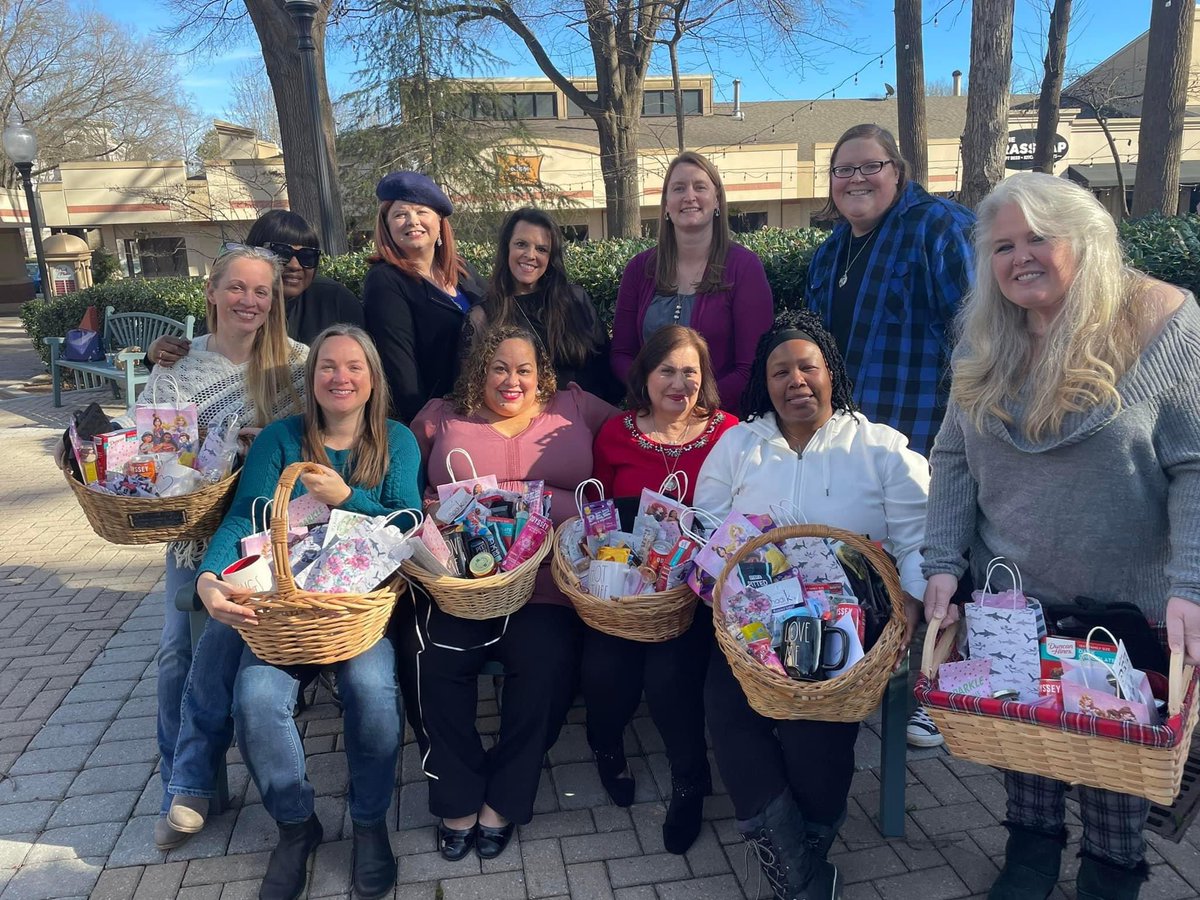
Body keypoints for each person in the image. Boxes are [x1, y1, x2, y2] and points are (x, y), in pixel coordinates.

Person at [920, 173, 1200, 900]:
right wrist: (944, 564)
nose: (1020, 257)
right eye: (1003, 245)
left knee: (1114, 759)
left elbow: (1196, 465)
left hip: (1124, 602)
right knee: (1026, 743)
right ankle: (1031, 853)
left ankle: (1112, 870)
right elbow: (952, 457)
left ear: (1084, 239)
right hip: (1012, 596)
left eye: (1038, 237)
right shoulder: (983, 339)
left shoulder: (1164, 327)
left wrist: (1190, 586)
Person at [694, 310, 928, 900]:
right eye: (780, 371)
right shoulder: (738, 444)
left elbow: (920, 535)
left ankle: (796, 856)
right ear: (764, 384)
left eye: (807, 367)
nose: (795, 380)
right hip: (757, 619)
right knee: (728, 707)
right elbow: (707, 528)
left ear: (831, 374)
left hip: (850, 620)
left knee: (813, 727)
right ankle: (801, 871)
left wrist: (912, 608)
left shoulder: (878, 447)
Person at [184, 325, 422, 900]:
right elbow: (246, 518)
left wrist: (350, 500)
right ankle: (296, 826)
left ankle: (368, 825)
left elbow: (409, 526)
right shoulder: (283, 440)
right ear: (311, 377)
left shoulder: (396, 440)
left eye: (354, 367)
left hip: (357, 611)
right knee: (257, 699)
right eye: (328, 367)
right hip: (285, 612)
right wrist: (210, 578)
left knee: (371, 690)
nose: (341, 377)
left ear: (372, 379)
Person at [410, 324, 616, 861]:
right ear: (480, 368)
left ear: (541, 373)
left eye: (524, 369)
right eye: (500, 367)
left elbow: (637, 435)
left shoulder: (574, 407)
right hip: (461, 586)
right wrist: (432, 512)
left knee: (547, 670)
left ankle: (504, 796)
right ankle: (456, 793)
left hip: (546, 586)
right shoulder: (442, 415)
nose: (512, 380)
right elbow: (401, 482)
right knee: (434, 666)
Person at [804, 123, 975, 751]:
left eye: (868, 166)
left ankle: (935, 691)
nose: (855, 180)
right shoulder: (830, 253)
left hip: (929, 432)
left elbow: (979, 330)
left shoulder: (938, 228)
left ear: (896, 170)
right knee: (885, 567)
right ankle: (886, 671)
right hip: (856, 439)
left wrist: (967, 422)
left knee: (938, 560)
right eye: (842, 170)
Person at [144, 246, 307, 851]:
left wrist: (274, 443)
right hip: (194, 536)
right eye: (236, 288)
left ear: (275, 299)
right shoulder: (177, 368)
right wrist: (212, 447)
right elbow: (152, 455)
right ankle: (187, 790)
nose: (249, 301)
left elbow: (324, 440)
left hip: (272, 538)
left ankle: (230, 782)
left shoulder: (298, 363)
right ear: (211, 292)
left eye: (261, 291)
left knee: (237, 661)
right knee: (173, 660)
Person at [586, 325, 737, 854]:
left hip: (696, 594)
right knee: (606, 669)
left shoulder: (728, 432)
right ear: (644, 376)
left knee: (671, 674)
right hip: (627, 590)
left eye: (690, 373)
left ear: (705, 379)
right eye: (666, 371)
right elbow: (597, 518)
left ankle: (691, 779)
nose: (678, 383)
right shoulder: (615, 433)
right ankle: (605, 748)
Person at [611, 151, 773, 414]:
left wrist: (691, 406)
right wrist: (655, 400)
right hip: (652, 420)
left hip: (722, 424)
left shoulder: (744, 268)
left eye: (700, 187)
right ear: (665, 204)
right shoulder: (639, 270)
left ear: (717, 200)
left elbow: (752, 366)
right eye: (678, 188)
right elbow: (621, 353)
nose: (689, 196)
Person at [146, 209, 364, 366]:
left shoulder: (336, 300)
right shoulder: (237, 306)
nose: (295, 265)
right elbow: (203, 366)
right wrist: (156, 354)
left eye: (308, 255)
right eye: (282, 254)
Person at [362, 171, 487, 424]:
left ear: (440, 221)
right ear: (386, 226)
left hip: (486, 410)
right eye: (400, 214)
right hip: (439, 422)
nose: (412, 221)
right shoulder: (385, 282)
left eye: (422, 212)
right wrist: (426, 427)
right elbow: (400, 371)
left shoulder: (464, 272)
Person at [469, 207, 622, 403]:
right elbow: (471, 392)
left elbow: (605, 372)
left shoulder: (575, 300)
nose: (530, 255)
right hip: (522, 429)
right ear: (507, 248)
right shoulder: (483, 315)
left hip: (587, 424)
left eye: (541, 249)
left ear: (551, 257)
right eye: (521, 244)